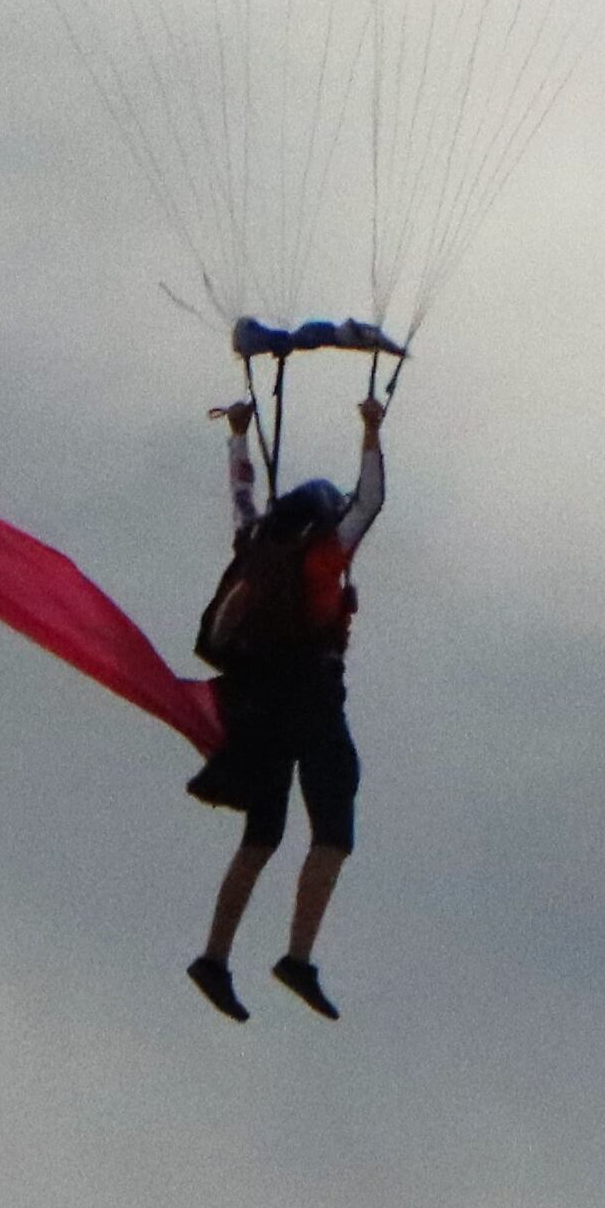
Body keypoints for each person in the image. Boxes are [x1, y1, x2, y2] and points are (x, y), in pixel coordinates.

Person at [182, 391, 385, 1020]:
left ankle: (214, 957)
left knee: (262, 833)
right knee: (333, 826)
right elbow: (372, 499)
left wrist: (239, 433)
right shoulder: (326, 555)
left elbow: (242, 494)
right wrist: (372, 430)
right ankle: (297, 957)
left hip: (260, 704)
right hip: (312, 699)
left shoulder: (256, 543)